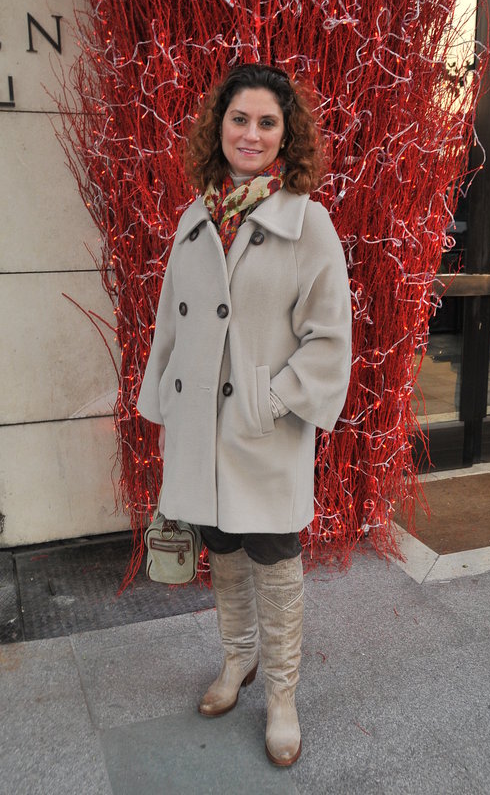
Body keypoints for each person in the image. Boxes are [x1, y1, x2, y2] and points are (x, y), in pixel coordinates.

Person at [136, 63, 352, 767]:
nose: (250, 134)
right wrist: (163, 403)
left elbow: (330, 337)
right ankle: (238, 660)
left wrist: (274, 400)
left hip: (265, 428)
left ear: (287, 135)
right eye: (239, 119)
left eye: (266, 121)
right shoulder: (195, 218)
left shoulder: (306, 221)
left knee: (274, 556)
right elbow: (171, 326)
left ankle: (282, 693)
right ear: (219, 127)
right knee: (222, 549)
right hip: (200, 425)